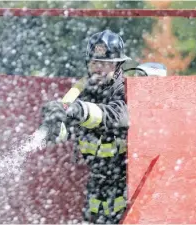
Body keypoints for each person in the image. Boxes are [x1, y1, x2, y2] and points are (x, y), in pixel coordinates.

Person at [41, 29, 130, 224]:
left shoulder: (124, 88)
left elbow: (118, 117)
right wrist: (56, 127)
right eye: (93, 62)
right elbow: (71, 127)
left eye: (104, 63)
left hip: (125, 181)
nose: (97, 68)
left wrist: (79, 110)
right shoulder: (83, 91)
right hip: (97, 180)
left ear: (117, 65)